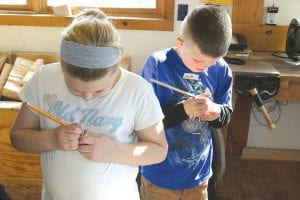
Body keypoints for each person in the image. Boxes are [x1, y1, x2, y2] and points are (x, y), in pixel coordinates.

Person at [10, 9, 168, 200]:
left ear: (116, 68)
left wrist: (114, 151)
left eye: (99, 91)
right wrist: (52, 139)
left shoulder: (137, 90)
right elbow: (18, 137)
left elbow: (159, 151)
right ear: (62, 66)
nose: (87, 97)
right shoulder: (44, 78)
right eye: (75, 89)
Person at [140, 5, 233, 200]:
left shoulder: (221, 70)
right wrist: (183, 110)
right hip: (159, 175)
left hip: (198, 176)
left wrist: (216, 112)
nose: (205, 67)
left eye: (212, 62)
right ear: (180, 42)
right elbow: (144, 124)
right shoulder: (157, 65)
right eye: (198, 61)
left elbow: (225, 114)